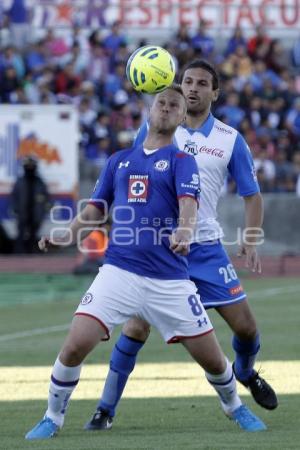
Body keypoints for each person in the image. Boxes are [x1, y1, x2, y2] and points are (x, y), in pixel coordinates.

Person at [25, 86, 266, 440]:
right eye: (161, 103)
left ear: (182, 118)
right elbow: (96, 208)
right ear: (149, 112)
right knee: (75, 345)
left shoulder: (183, 162)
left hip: (169, 280)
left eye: (175, 106)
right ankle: (52, 417)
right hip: (118, 273)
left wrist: (184, 232)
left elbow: (188, 204)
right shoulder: (119, 160)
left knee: (214, 361)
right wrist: (67, 233)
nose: (167, 108)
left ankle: (235, 407)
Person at [85, 60, 278, 432]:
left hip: (205, 247)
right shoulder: (158, 127)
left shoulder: (228, 139)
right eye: (187, 81)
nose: (192, 89)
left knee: (247, 329)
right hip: (159, 250)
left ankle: (245, 370)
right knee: (136, 329)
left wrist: (251, 238)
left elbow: (252, 195)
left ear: (214, 93)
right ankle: (105, 409)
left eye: (202, 84)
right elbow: (133, 176)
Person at [11, 156, 51, 253]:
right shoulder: (20, 182)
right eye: (27, 166)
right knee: (20, 235)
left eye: (31, 166)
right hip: (22, 212)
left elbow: (45, 197)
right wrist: (15, 208)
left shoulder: (39, 182)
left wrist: (43, 210)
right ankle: (19, 254)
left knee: (33, 236)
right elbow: (14, 196)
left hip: (35, 214)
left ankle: (31, 254)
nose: (29, 168)